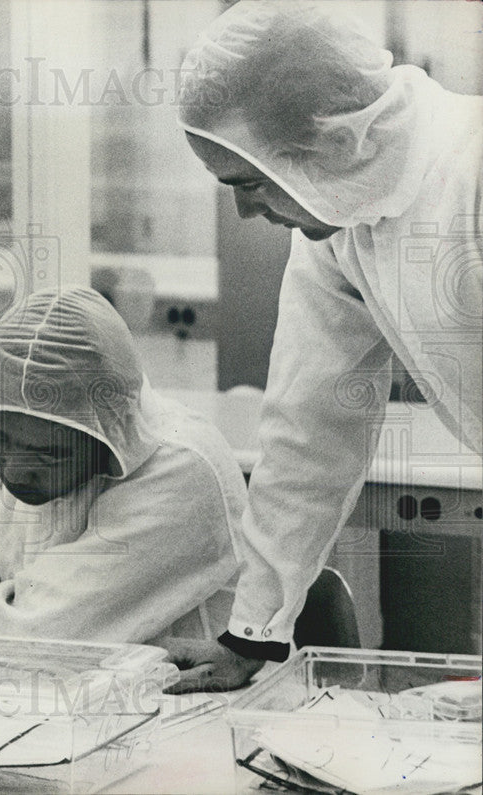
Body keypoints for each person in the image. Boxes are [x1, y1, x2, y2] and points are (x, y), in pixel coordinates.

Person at [165, 0, 482, 690]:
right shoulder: (340, 223)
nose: (246, 212)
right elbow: (309, 430)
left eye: (246, 183)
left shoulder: (471, 172)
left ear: (328, 139)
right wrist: (253, 633)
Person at [0, 287, 246, 645]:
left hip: (193, 711)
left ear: (105, 430)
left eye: (49, 454)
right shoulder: (21, 435)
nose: (15, 471)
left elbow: (37, 627)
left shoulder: (182, 473)